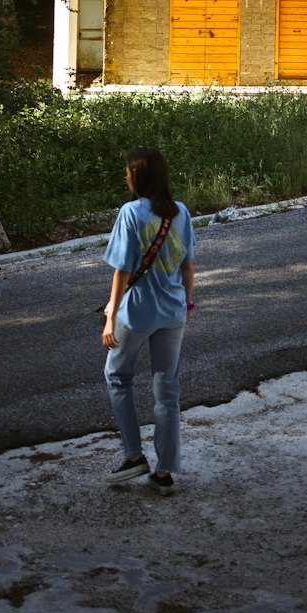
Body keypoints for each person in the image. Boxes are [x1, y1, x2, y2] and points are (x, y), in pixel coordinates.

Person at [102, 146, 195, 495]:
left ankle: (133, 455)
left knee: (117, 375)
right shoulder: (180, 212)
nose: (125, 177)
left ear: (137, 176)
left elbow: (122, 270)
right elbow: (188, 265)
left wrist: (111, 316)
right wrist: (186, 304)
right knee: (167, 391)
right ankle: (165, 471)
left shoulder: (130, 213)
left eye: (128, 172)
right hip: (173, 313)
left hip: (138, 313)